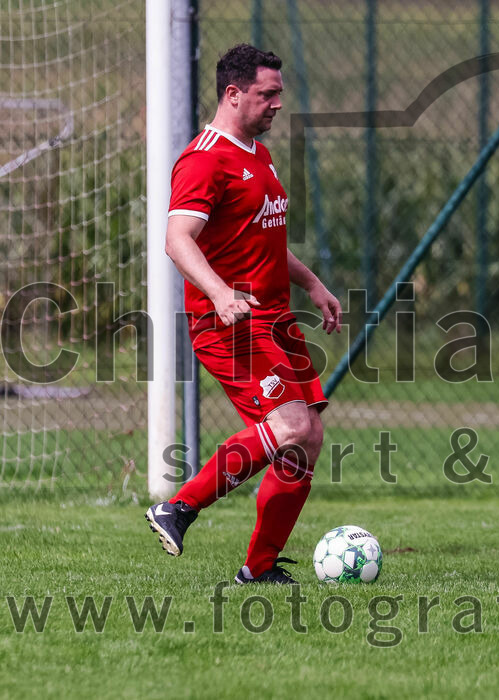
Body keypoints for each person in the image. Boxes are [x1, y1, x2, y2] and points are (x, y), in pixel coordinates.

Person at [145, 44, 341, 585]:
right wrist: (219, 293)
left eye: (280, 93)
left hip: (272, 317)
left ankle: (259, 569)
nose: (278, 103)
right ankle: (177, 508)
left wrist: (312, 283)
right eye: (267, 94)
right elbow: (177, 239)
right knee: (290, 424)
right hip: (230, 322)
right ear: (233, 94)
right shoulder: (205, 158)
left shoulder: (255, 151)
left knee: (309, 436)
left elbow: (266, 237)